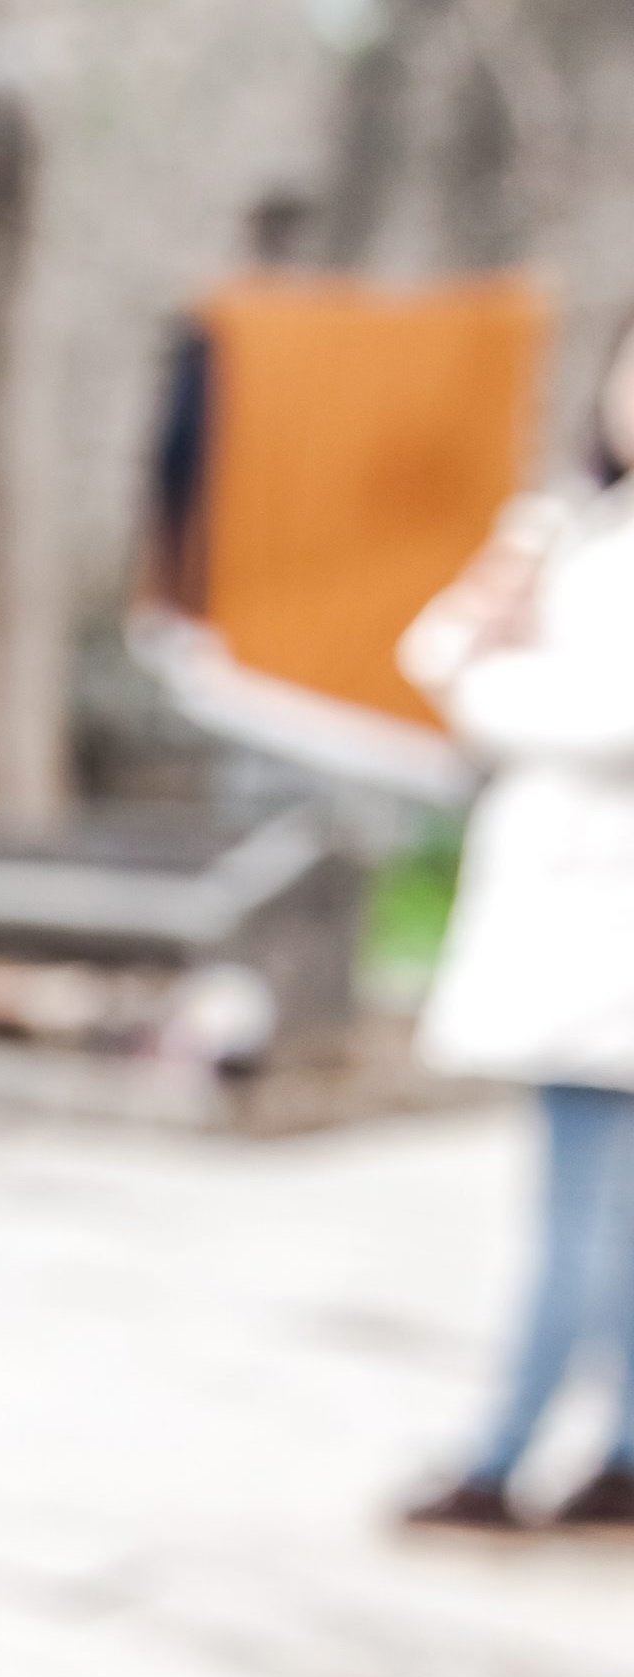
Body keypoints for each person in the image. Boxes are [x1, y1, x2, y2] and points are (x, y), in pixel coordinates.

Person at [403, 318, 634, 1531]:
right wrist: (494, 626)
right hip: (563, 919)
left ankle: (504, 1455)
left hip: (610, 931)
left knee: (583, 1211)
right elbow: (431, 646)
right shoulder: (570, 534)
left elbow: (608, 716)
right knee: (600, 1204)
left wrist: (492, 688)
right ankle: (616, 1459)